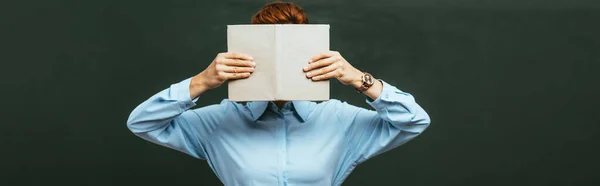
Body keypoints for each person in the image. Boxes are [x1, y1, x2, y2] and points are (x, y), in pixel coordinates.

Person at [127, 1, 431, 186]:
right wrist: (201, 82)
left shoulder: (338, 119)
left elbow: (414, 121)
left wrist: (357, 78)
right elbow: (142, 123)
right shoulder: (220, 120)